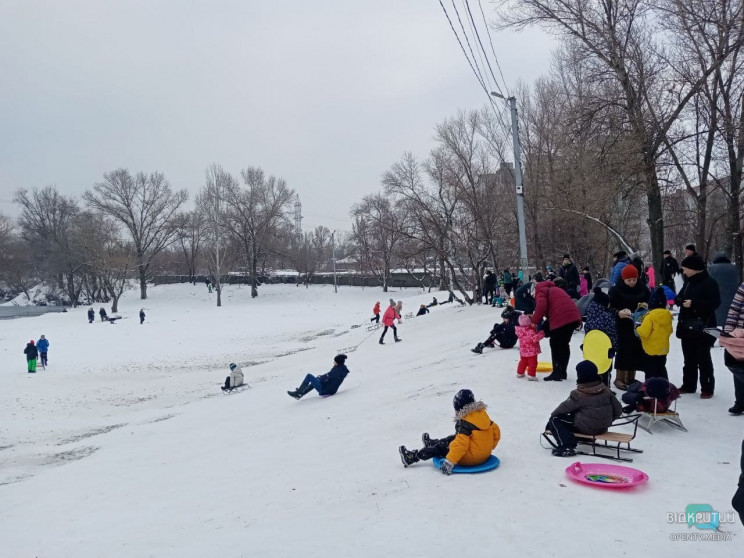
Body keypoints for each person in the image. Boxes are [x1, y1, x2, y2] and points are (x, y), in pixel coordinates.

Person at [398, 389, 501, 474]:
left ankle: (412, 457)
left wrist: (450, 462)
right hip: (485, 455)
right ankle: (432, 443)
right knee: (453, 438)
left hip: (469, 459)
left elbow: (461, 445)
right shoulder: (483, 415)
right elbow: (496, 432)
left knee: (443, 446)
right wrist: (487, 447)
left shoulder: (464, 422)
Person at [546, 361, 623, 457]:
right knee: (580, 412)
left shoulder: (579, 394)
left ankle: (566, 446)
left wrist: (551, 421)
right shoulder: (607, 390)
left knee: (555, 419)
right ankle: (585, 438)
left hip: (587, 428)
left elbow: (561, 410)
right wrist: (605, 420)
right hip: (603, 428)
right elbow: (618, 410)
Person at [675, 254, 720, 398]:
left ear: (695, 269)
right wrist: (680, 300)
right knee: (688, 358)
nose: (684, 272)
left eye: (686, 269)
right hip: (686, 325)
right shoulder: (688, 282)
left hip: (703, 326)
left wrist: (694, 304)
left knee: (703, 358)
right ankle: (688, 384)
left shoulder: (709, 282)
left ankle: (707, 387)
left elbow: (714, 303)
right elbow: (680, 296)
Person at [530, 280, 582, 381]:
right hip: (573, 317)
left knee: (555, 344)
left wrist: (534, 321)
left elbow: (541, 307)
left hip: (562, 317)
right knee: (564, 344)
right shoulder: (555, 289)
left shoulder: (540, 291)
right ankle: (562, 371)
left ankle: (557, 372)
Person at [608, 264, 650, 390]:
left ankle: (631, 378)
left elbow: (650, 301)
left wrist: (646, 306)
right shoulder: (615, 290)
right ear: (623, 279)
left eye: (634, 280)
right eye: (629, 280)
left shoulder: (643, 289)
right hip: (622, 324)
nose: (631, 283)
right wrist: (618, 313)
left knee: (636, 351)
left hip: (638, 324)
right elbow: (609, 307)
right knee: (623, 350)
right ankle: (620, 378)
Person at [635, 287, 673, 380]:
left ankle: (650, 388)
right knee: (661, 368)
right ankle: (664, 387)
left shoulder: (650, 316)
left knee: (650, 370)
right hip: (663, 349)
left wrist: (638, 328)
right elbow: (670, 331)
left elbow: (644, 332)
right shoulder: (668, 316)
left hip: (650, 350)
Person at [721, 283, 744, 415]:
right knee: (738, 367)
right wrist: (728, 335)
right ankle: (740, 401)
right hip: (738, 335)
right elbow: (734, 310)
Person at [709, 252, 739, 328]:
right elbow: (738, 281)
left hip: (717, 296)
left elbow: (708, 281)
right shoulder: (734, 268)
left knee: (717, 318)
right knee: (729, 318)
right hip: (732, 296)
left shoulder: (711, 268)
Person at [515, 314, 544, 380]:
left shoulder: (519, 331)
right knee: (533, 363)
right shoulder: (530, 331)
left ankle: (520, 373)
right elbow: (535, 338)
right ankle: (531, 375)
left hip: (523, 351)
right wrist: (541, 333)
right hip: (531, 352)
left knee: (523, 362)